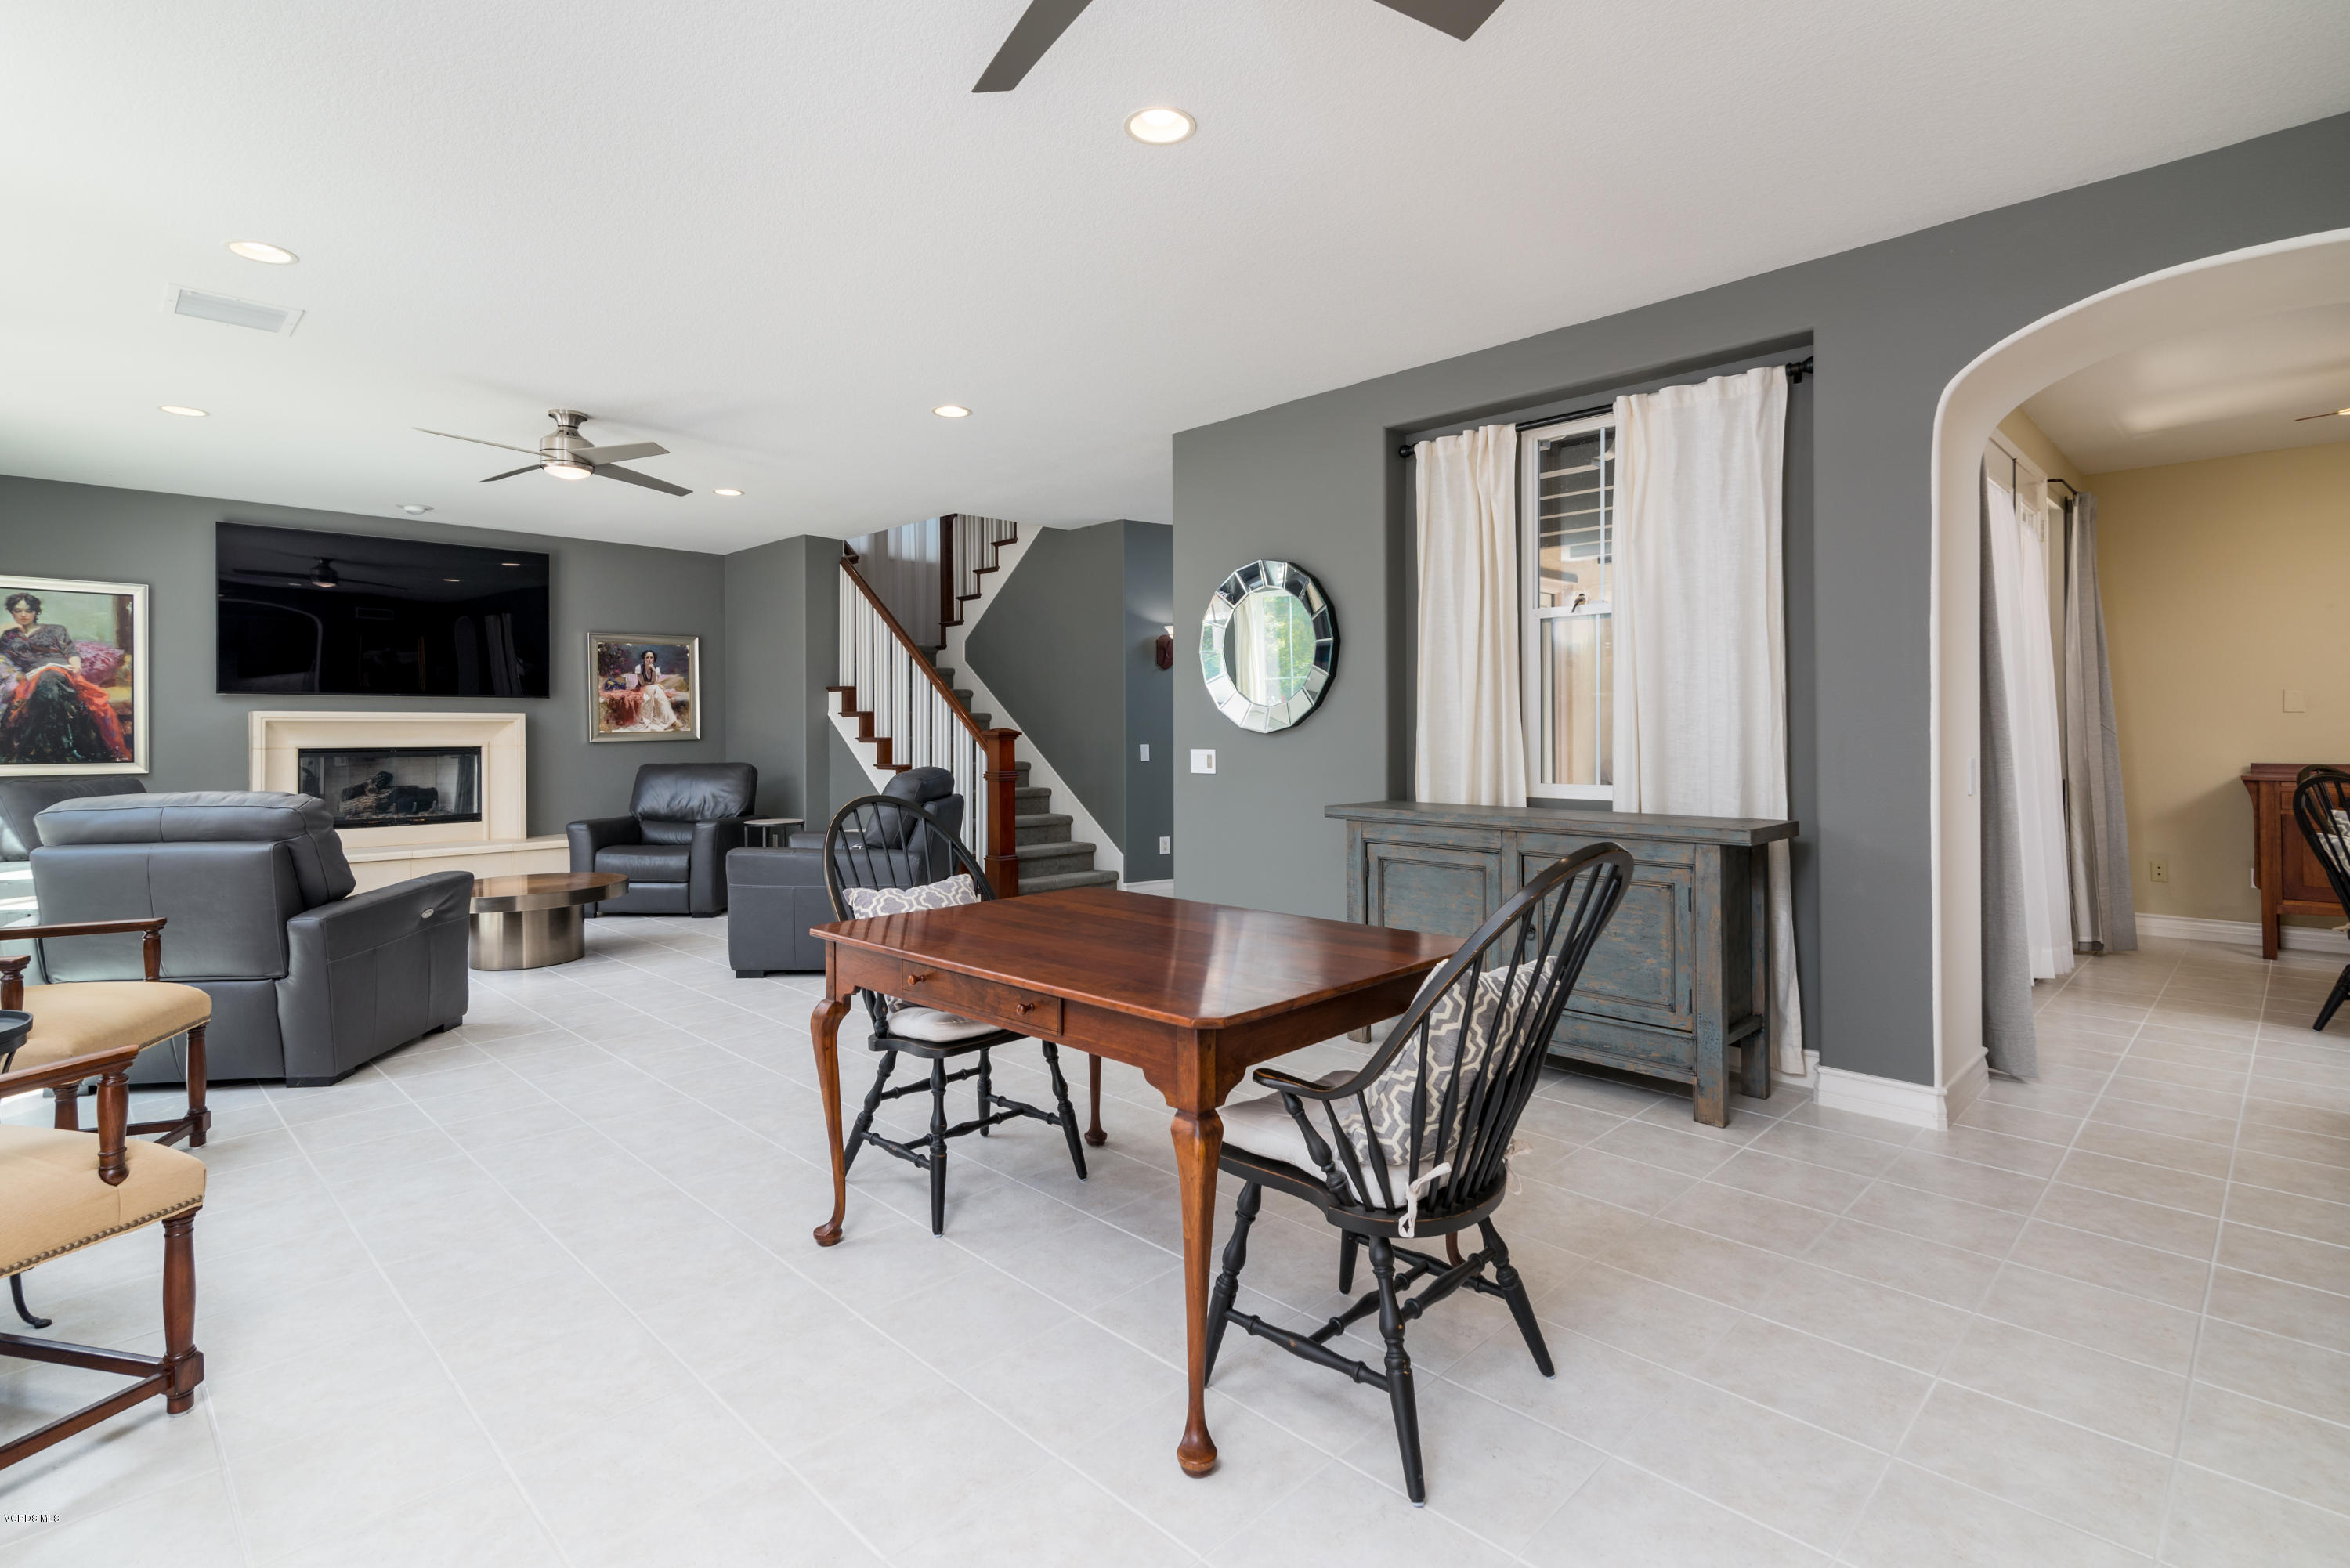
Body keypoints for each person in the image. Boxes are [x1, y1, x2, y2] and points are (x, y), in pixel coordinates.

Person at [0, 591, 129, 764]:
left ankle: (45, 750)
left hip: (61, 673)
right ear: (11, 612)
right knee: (46, 682)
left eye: (28, 610)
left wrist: (76, 665)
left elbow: (71, 652)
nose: (23, 615)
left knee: (50, 677)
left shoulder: (56, 630)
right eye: (17, 611)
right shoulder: (8, 636)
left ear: (36, 612)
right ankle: (60, 750)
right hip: (30, 679)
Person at [633, 649, 679, 729]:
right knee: (657, 688)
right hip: (641, 689)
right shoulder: (639, 668)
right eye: (647, 657)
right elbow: (643, 683)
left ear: (654, 659)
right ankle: (672, 720)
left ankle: (669, 719)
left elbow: (654, 682)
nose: (649, 659)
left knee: (657, 690)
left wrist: (654, 671)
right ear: (644, 659)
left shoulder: (656, 669)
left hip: (653, 689)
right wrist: (656, 684)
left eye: (651, 657)